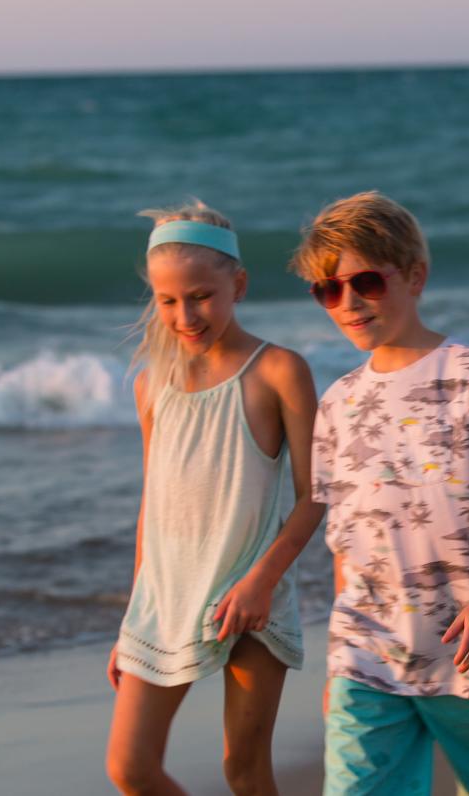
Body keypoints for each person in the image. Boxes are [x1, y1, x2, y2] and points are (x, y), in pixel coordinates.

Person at [290, 192, 469, 796]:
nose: (349, 302)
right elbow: (346, 539)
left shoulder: (468, 372)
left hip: (467, 649)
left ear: (414, 276)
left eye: (365, 282)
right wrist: (339, 659)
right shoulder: (336, 403)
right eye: (328, 290)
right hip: (366, 655)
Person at [105, 202, 324, 796]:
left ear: (239, 284)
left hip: (253, 597)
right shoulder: (151, 383)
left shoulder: (278, 370)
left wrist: (260, 581)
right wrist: (133, 618)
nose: (186, 314)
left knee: (244, 772)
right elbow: (153, 506)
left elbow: (316, 496)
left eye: (201, 295)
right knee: (129, 766)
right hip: (167, 598)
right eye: (169, 300)